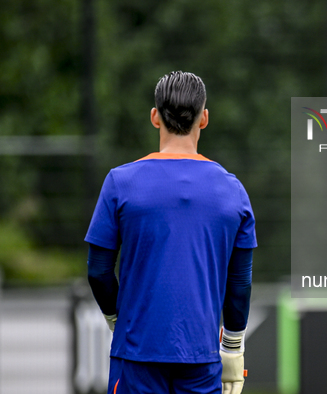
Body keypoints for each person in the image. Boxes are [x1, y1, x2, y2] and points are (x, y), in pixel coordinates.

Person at [85, 71, 257, 394]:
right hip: (202, 358)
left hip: (135, 356)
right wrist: (232, 348)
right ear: (204, 118)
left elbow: (97, 271)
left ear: (154, 117)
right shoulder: (233, 191)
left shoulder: (120, 183)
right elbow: (240, 283)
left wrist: (117, 320)